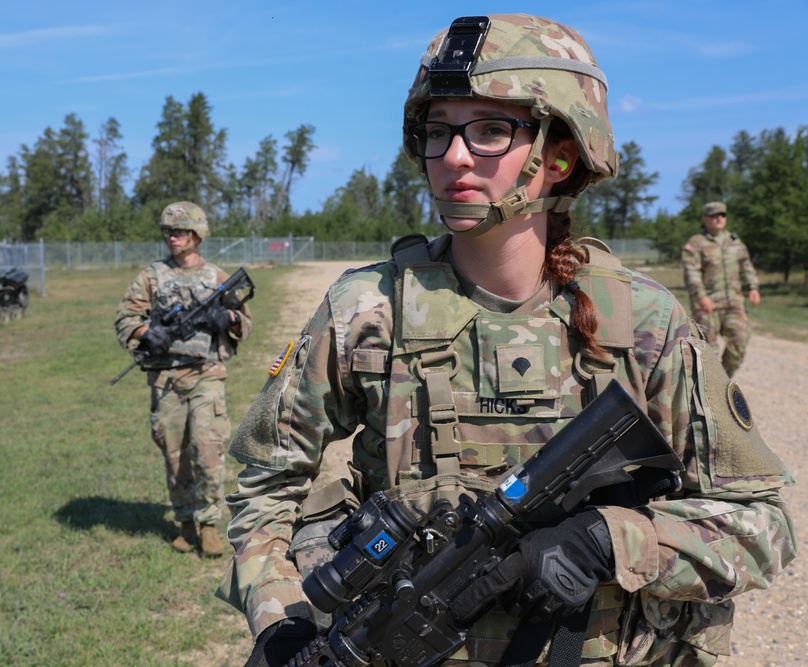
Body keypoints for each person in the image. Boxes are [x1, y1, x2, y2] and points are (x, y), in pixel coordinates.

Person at [216, 14, 796, 667]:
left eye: (490, 129)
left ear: (559, 156)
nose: (455, 156)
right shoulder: (365, 311)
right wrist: (278, 617)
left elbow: (764, 529)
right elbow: (264, 483)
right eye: (439, 132)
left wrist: (613, 539)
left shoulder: (644, 322)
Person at [114, 201, 251, 557]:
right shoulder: (152, 276)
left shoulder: (218, 278)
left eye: (178, 231)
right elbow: (125, 316)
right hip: (166, 379)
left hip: (207, 375)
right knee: (175, 457)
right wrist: (147, 332)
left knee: (208, 450)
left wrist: (230, 318)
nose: (171, 238)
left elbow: (245, 320)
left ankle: (208, 524)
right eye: (167, 232)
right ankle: (186, 523)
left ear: (197, 234)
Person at [682, 202, 761, 377]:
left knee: (739, 342)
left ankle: (722, 381)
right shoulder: (696, 243)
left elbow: (746, 266)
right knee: (708, 351)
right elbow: (691, 272)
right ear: (705, 218)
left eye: (722, 215)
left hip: (734, 303)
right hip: (707, 305)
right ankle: (705, 390)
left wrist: (753, 287)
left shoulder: (734, 242)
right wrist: (701, 296)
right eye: (714, 215)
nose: (719, 218)